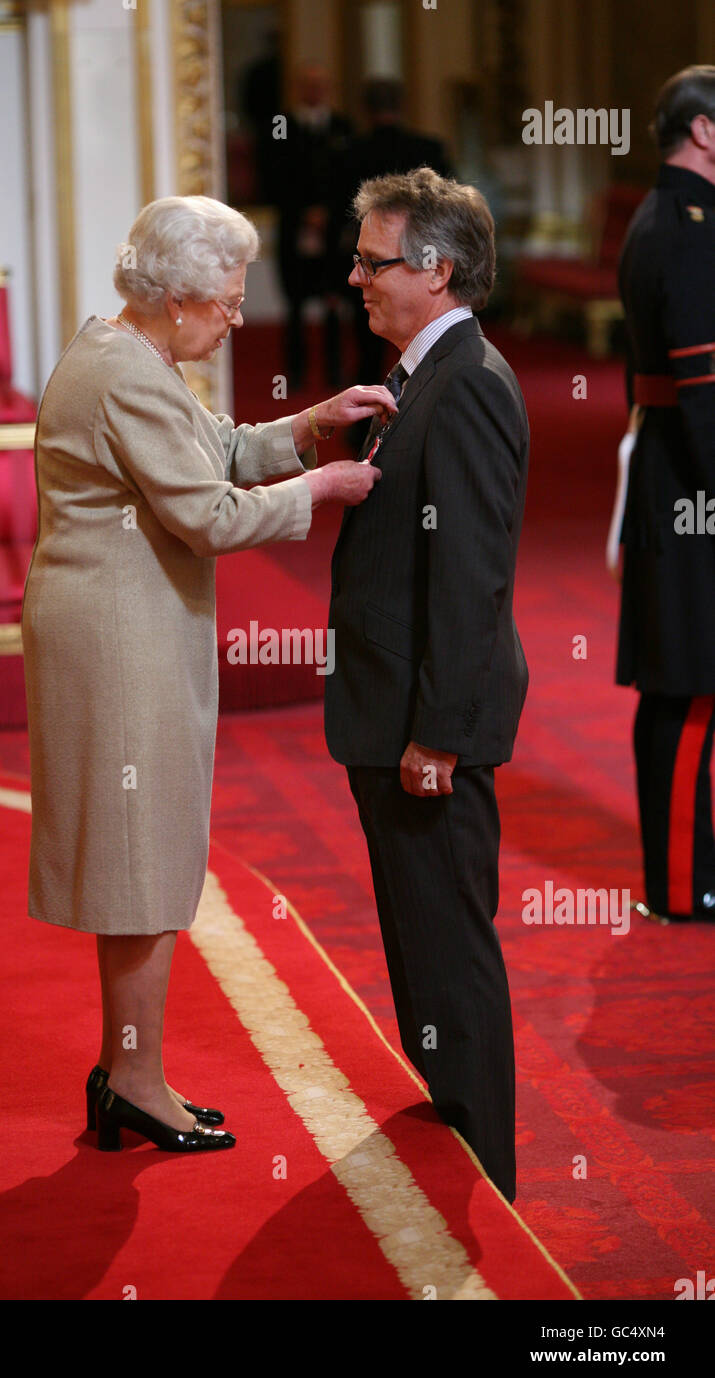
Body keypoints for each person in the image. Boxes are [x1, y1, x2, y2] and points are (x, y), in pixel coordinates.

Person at [21, 195, 387, 1155]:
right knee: (139, 860)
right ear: (174, 296)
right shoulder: (125, 375)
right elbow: (211, 516)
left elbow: (211, 449)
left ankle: (126, 1072)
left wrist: (308, 423)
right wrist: (319, 486)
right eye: (224, 302)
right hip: (117, 637)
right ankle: (134, 1083)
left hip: (125, 624)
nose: (234, 317)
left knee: (141, 853)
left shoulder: (132, 356)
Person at [324, 168, 529, 1203]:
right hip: (391, 715)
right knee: (420, 943)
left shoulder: (471, 384)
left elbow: (471, 580)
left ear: (436, 270)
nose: (354, 275)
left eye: (374, 260)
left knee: (451, 950)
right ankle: (450, 1134)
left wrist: (438, 735)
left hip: (427, 729)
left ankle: (487, 1173)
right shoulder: (417, 374)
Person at [615, 65, 715, 924]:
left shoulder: (669, 215)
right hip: (691, 476)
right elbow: (700, 382)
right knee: (686, 683)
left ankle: (690, 869)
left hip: (673, 467)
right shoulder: (686, 226)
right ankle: (682, 884)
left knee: (691, 679)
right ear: (705, 133)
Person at [339, 78, 455, 401]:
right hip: (417, 264)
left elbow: (339, 214)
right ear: (401, 106)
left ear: (367, 110)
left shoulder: (351, 152)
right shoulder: (429, 150)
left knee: (368, 349)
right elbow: (450, 213)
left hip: (374, 261)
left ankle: (367, 417)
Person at [271, 65, 354, 389]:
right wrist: (304, 212)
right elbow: (275, 177)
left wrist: (329, 214)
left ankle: (335, 372)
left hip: (333, 236)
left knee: (334, 303)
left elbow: (351, 179)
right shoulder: (281, 126)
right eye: (308, 85)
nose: (314, 92)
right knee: (295, 305)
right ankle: (295, 375)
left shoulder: (342, 127)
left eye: (320, 85)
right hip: (295, 230)